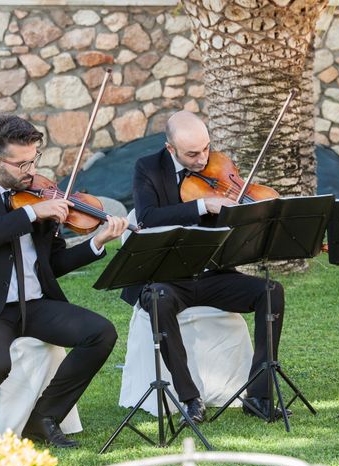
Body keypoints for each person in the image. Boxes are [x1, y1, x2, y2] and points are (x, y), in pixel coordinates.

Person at [0, 115, 129, 447]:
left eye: (34, 159)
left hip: (35, 304)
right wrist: (31, 214)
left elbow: (53, 262)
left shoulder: (38, 193)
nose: (31, 171)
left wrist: (96, 243)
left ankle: (44, 417)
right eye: (22, 163)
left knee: (100, 333)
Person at [121, 110, 287, 423]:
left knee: (270, 291)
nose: (202, 159)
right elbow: (147, 217)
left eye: (207, 148)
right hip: (167, 279)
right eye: (192, 154)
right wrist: (203, 204)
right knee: (158, 299)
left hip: (213, 274)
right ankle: (189, 398)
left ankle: (260, 395)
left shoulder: (219, 167)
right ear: (171, 149)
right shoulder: (148, 168)